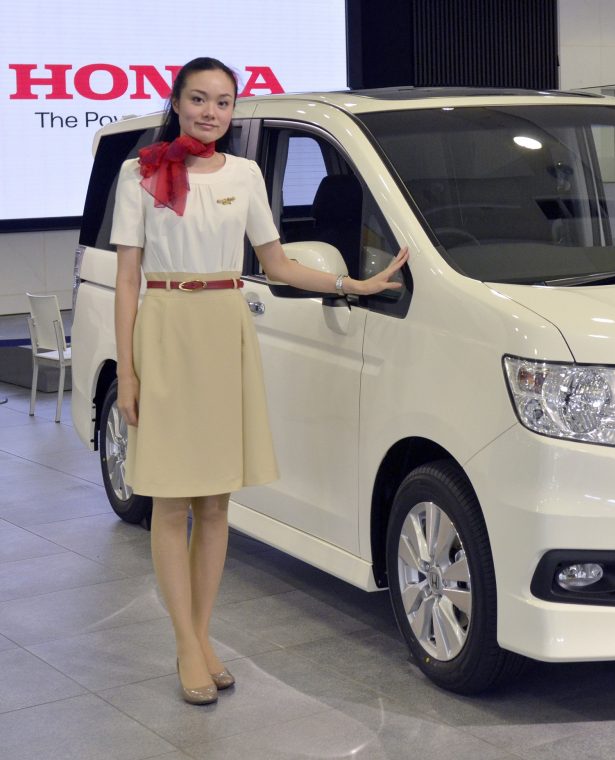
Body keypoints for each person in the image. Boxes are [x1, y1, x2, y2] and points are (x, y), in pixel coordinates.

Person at [110, 57, 408, 706]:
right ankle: (187, 645)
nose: (210, 111)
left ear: (233, 108)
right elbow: (128, 277)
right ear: (179, 101)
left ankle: (202, 636)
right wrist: (126, 370)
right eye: (198, 99)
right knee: (170, 500)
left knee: (216, 503)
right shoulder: (142, 173)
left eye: (222, 101)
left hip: (225, 328)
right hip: (165, 328)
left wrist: (351, 283)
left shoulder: (245, 175)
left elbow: (276, 264)